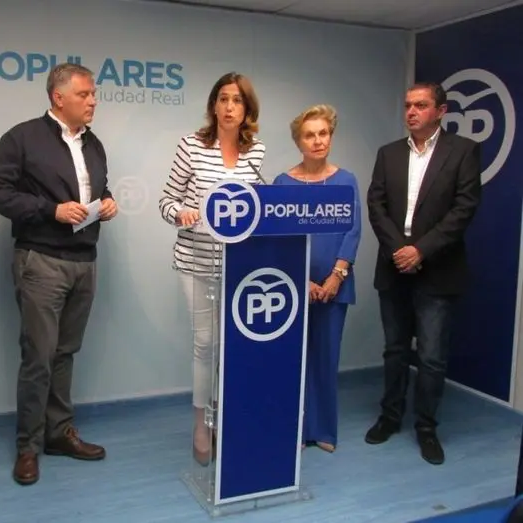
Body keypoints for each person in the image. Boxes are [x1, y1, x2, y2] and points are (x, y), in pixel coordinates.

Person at [0, 62, 117, 486]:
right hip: (41, 259)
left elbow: (98, 189)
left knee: (64, 353)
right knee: (38, 357)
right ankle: (28, 446)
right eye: (84, 94)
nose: (93, 101)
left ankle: (59, 434)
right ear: (59, 98)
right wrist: (50, 210)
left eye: (93, 94)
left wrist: (108, 202)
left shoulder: (93, 143)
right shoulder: (22, 138)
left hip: (85, 260)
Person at [365, 82, 481, 465]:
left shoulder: (462, 151)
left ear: (441, 111)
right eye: (408, 105)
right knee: (395, 350)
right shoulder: (389, 153)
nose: (411, 112)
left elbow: (464, 209)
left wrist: (421, 250)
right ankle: (390, 416)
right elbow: (376, 205)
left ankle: (426, 428)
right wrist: (400, 250)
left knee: (431, 356)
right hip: (394, 266)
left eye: (420, 105)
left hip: (438, 270)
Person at [158, 72, 265, 465]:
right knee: (205, 343)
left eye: (237, 100)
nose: (229, 107)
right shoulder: (192, 145)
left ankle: (223, 416)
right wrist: (180, 213)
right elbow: (166, 200)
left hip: (239, 266)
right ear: (213, 105)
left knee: (232, 346)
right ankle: (200, 423)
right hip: (196, 261)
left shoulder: (256, 152)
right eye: (223, 99)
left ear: (247, 109)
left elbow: (256, 205)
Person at [273, 104, 362, 453]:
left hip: (335, 286)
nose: (317, 141)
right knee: (291, 360)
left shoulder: (346, 180)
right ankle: (294, 430)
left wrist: (336, 276)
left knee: (326, 359)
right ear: (299, 142)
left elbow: (352, 231)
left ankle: (324, 430)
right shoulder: (283, 183)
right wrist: (301, 279)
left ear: (331, 137)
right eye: (309, 135)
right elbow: (279, 238)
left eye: (323, 133)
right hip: (293, 286)